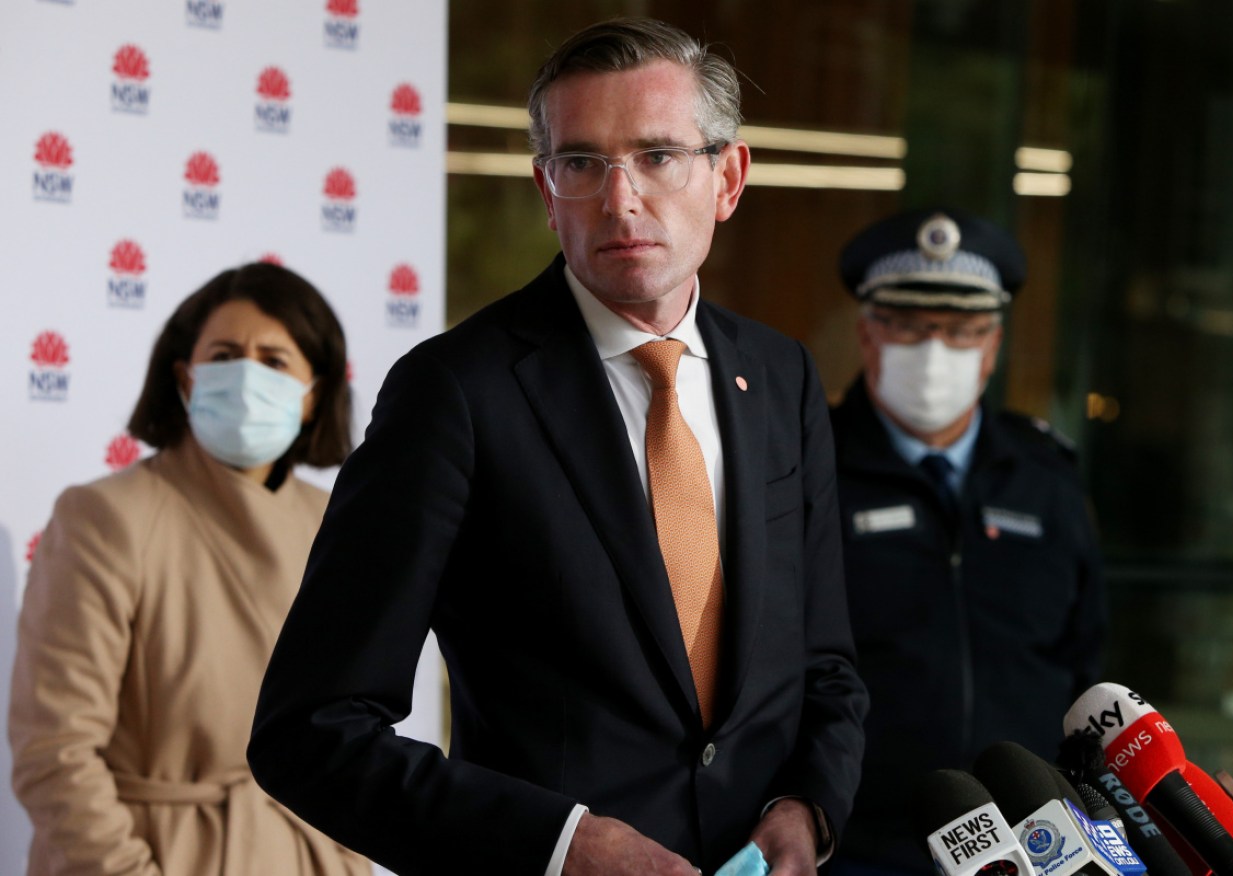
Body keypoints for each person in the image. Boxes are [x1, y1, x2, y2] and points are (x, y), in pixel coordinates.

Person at [246, 17, 868, 876]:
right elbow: (309, 731)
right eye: (581, 164)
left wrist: (809, 809)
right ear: (546, 192)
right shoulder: (455, 393)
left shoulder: (782, 375)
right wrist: (559, 845)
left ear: (727, 177)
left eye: (657, 156)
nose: (620, 198)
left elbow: (825, 664)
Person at [8, 263, 369, 876]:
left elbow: (355, 741)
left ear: (313, 395)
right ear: (184, 378)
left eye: (275, 362)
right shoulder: (104, 517)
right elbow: (55, 751)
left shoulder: (335, 525)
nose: (248, 375)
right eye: (225, 355)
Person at [825, 208, 1106, 876]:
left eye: (958, 332)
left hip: (1035, 844)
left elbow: (1082, 658)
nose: (933, 353)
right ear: (868, 336)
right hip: (859, 844)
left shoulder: (1044, 477)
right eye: (910, 329)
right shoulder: (809, 469)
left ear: (991, 347)